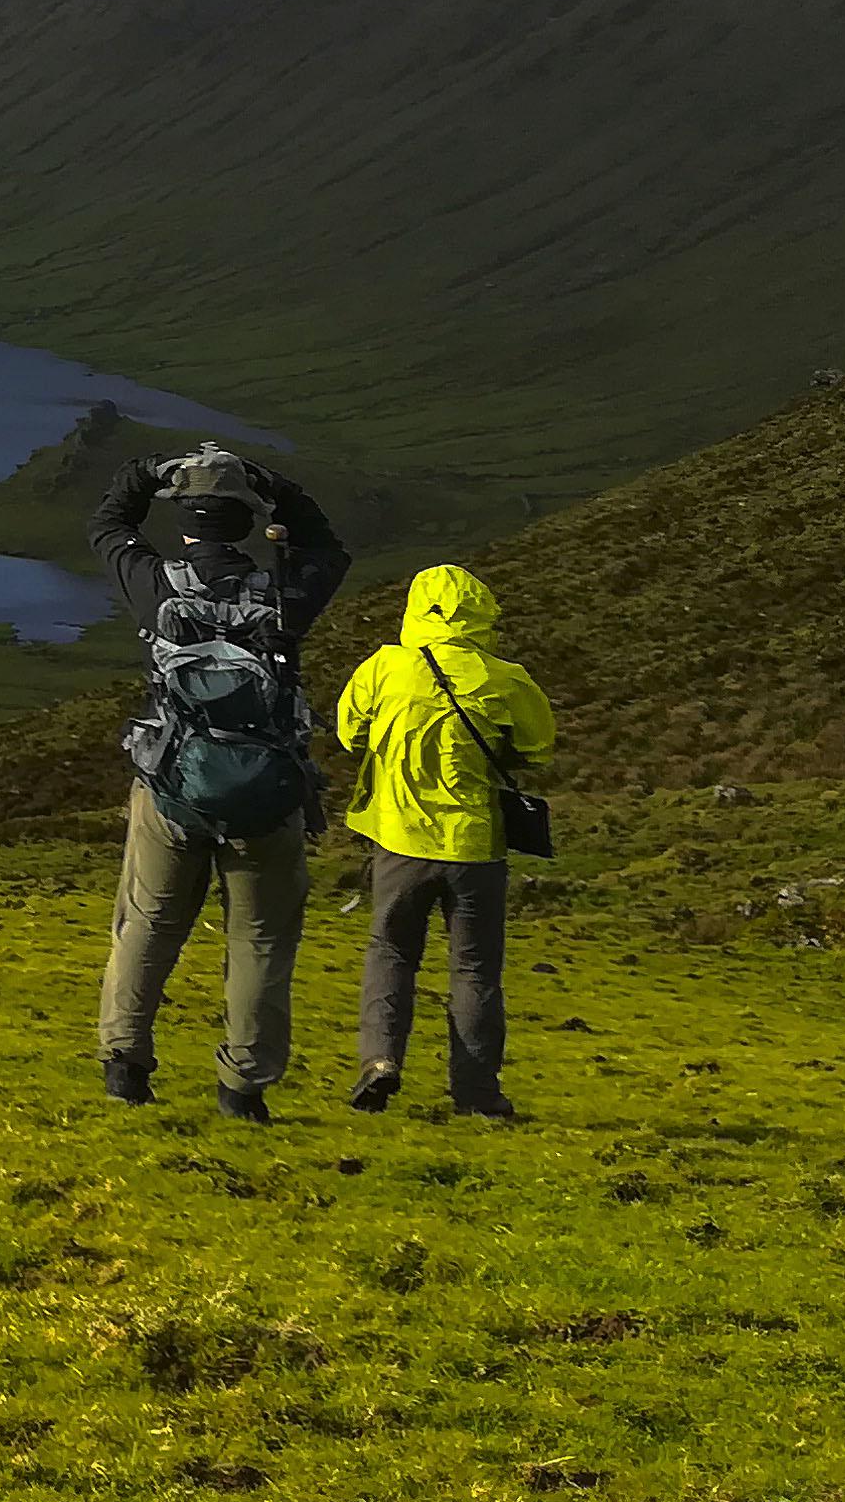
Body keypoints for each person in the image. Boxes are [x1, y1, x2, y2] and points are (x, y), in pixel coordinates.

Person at [93, 443, 351, 1121]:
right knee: (260, 939)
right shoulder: (285, 593)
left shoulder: (155, 587)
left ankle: (125, 1065)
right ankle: (242, 1088)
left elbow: (108, 525)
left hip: (172, 785)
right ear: (242, 523)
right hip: (267, 795)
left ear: (184, 520)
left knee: (149, 924)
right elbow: (331, 547)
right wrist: (277, 487)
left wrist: (145, 473)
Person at [333, 565, 553, 1122]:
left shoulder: (384, 667)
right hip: (475, 844)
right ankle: (478, 1094)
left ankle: (379, 1062)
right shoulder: (506, 678)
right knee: (475, 969)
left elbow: (348, 733)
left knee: (392, 952)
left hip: (399, 838)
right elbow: (537, 746)